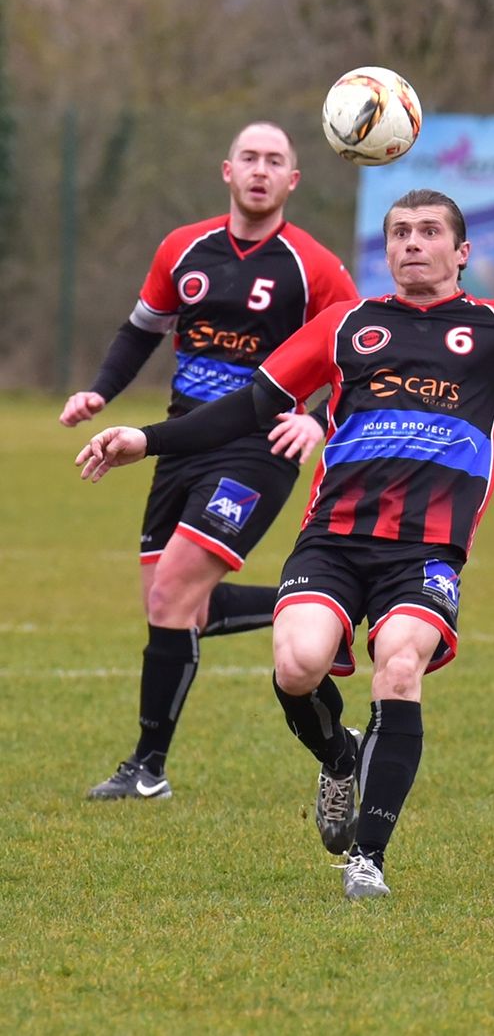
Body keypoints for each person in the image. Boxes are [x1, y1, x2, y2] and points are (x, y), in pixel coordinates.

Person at [75, 188, 494, 897]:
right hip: (333, 539)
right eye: (400, 233)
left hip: (427, 548)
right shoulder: (347, 324)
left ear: (462, 251)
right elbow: (251, 405)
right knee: (296, 664)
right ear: (387, 251)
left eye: (428, 232)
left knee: (400, 664)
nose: (413, 243)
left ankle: (369, 859)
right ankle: (337, 755)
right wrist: (147, 438)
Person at [61, 121, 358, 801]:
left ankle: (148, 769)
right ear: (227, 170)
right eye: (249, 157)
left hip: (257, 450)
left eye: (274, 160)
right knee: (177, 611)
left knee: (171, 593)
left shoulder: (312, 266)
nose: (260, 169)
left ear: (293, 180)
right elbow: (141, 330)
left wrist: (314, 422)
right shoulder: (183, 248)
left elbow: (362, 356)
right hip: (180, 440)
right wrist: (100, 392)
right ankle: (325, 610)